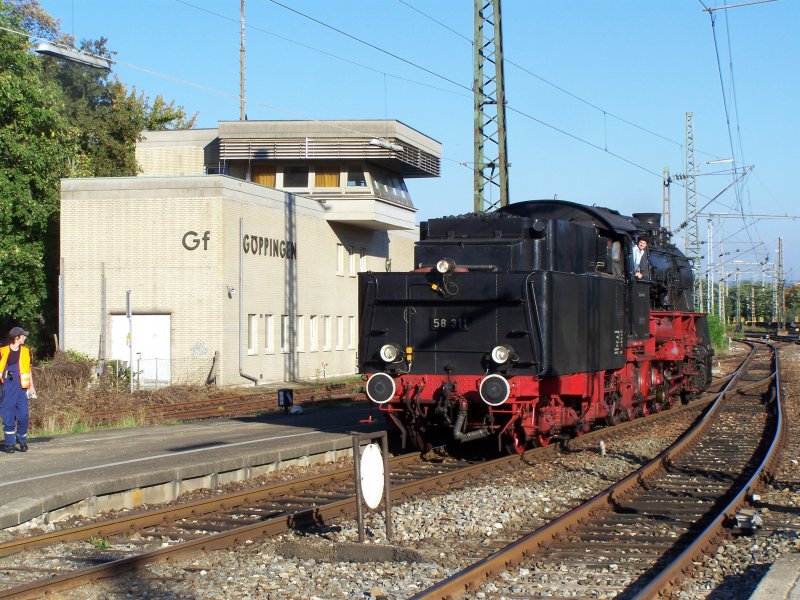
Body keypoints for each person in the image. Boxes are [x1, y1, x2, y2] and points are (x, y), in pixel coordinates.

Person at [0, 326, 35, 453]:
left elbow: (28, 370)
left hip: (21, 388)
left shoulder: (26, 351)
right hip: (7, 387)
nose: (25, 337)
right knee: (8, 416)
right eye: (23, 335)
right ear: (16, 337)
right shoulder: (2, 351)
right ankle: (9, 444)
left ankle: (22, 439)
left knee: (23, 415)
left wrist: (32, 387)